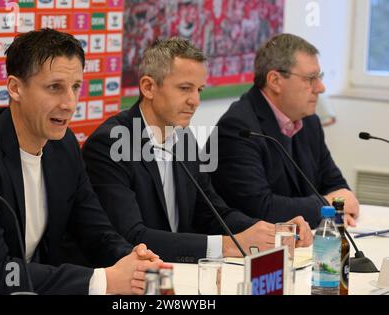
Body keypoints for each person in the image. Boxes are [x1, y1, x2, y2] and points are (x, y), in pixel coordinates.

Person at [0, 29, 162, 295]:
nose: (69, 103)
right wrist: (103, 280)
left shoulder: (63, 145)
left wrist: (131, 260)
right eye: (54, 87)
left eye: (76, 87)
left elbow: (95, 229)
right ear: (15, 88)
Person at [82, 37, 312, 263]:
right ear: (148, 87)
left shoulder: (184, 138)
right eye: (184, 89)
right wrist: (227, 245)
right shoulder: (112, 143)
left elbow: (212, 213)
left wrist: (270, 232)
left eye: (199, 90)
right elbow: (131, 236)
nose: (195, 101)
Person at [209, 33, 359, 228]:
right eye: (310, 79)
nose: (320, 88)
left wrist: (336, 205)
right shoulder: (238, 128)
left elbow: (336, 185)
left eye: (319, 77)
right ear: (275, 81)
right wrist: (330, 207)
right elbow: (261, 208)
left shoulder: (310, 122)